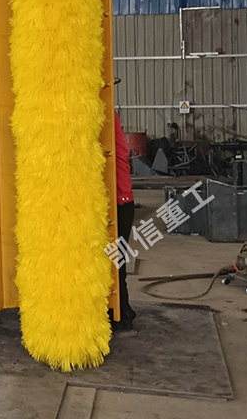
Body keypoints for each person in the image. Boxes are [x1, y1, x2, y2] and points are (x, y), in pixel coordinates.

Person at [113, 111, 136, 331]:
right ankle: (120, 311)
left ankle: (121, 314)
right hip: (117, 202)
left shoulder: (105, 113)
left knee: (114, 260)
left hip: (119, 203)